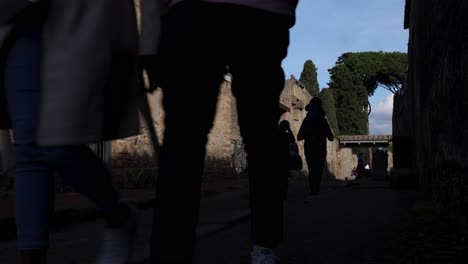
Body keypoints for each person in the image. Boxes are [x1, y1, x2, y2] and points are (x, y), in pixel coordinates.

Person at [140, 1, 299, 263]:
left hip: (196, 15)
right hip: (262, 15)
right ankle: (265, 246)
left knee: (183, 141)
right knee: (261, 140)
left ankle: (169, 253)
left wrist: (148, 40)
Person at [0, 1, 142, 263]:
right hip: (20, 22)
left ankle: (118, 215)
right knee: (28, 149)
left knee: (54, 144)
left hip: (77, 17)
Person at [297, 97, 334, 202]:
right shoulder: (323, 121)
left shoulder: (306, 121)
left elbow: (299, 137)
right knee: (318, 168)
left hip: (309, 147)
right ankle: (316, 189)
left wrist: (308, 134)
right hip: (321, 147)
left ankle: (313, 189)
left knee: (312, 167)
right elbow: (331, 138)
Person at [278, 120, 296, 200]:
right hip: (285, 156)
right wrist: (289, 130)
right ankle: (284, 194)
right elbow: (293, 140)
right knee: (284, 177)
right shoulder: (287, 134)